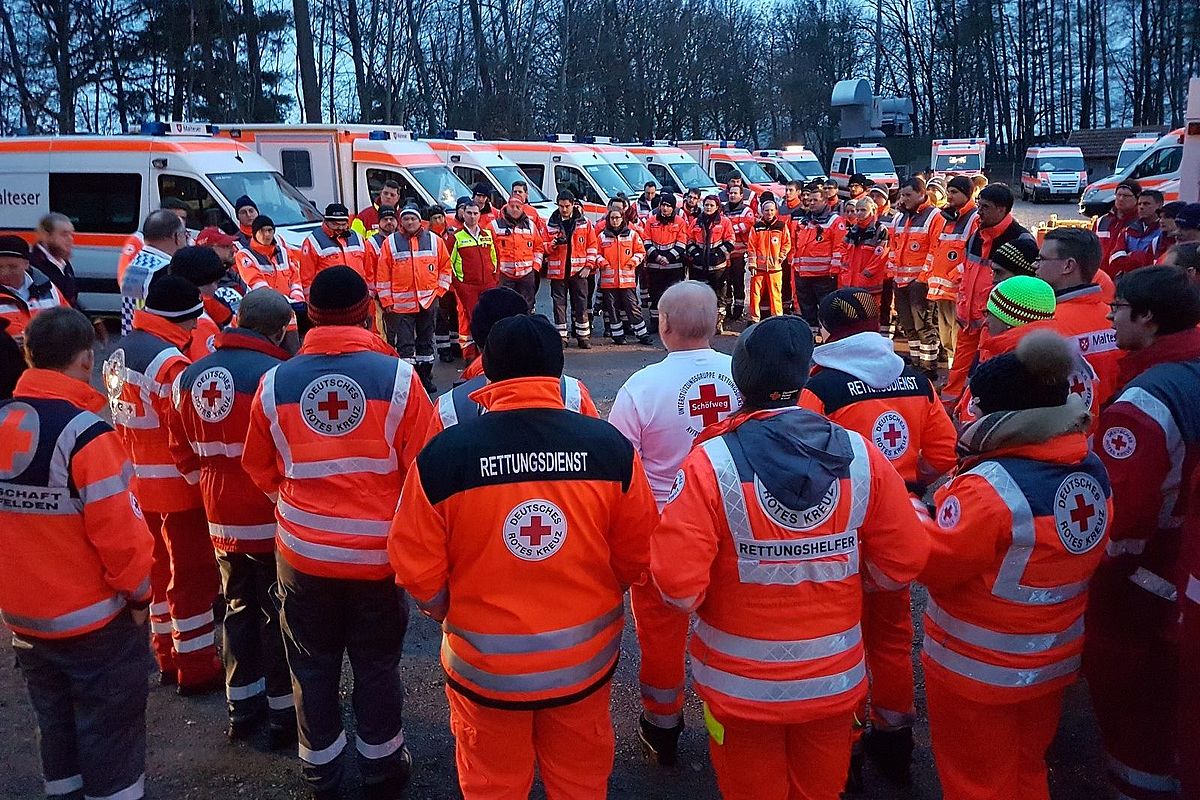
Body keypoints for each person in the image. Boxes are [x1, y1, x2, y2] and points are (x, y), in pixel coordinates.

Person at [651, 315, 930, 800]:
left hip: (737, 688)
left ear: (739, 378)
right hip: (834, 681)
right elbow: (903, 562)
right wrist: (843, 577)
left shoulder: (709, 462)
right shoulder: (861, 456)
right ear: (806, 375)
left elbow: (677, 586)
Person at [390, 313, 658, 800]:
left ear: (486, 371)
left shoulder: (444, 456)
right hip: (585, 665)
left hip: (483, 670)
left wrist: (450, 610)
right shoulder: (609, 449)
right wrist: (601, 590)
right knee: (580, 781)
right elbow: (636, 552)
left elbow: (415, 564)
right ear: (559, 372)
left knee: (492, 784)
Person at [243, 266, 434, 800]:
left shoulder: (275, 381)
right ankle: (382, 764)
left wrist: (298, 509)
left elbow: (259, 467)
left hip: (302, 556)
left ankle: (319, 769)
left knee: (311, 663)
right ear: (363, 312)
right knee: (376, 663)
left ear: (311, 316)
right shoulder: (398, 378)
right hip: (378, 556)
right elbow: (424, 467)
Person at [919, 330, 1110, 800]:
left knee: (977, 783)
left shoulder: (987, 489)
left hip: (977, 670)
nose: (971, 414)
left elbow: (935, 564)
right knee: (1027, 770)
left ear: (1006, 416)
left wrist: (914, 515)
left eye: (978, 406)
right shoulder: (1092, 469)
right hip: (1052, 658)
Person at [799, 288, 956, 786]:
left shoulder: (819, 388)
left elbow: (803, 465)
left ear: (825, 331)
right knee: (891, 636)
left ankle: (844, 751)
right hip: (897, 523)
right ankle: (895, 740)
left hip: (841, 529)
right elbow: (943, 456)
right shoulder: (915, 379)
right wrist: (907, 486)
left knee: (838, 638)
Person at [1, 307, 155, 800]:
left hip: (23, 618)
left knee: (57, 729)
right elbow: (123, 538)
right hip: (94, 621)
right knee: (110, 734)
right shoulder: (87, 436)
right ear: (87, 359)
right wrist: (138, 598)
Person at [608, 280, 741, 764]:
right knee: (732, 621)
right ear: (714, 322)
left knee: (661, 634)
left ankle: (661, 725)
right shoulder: (741, 376)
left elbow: (619, 465)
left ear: (662, 324)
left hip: (662, 529)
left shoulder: (641, 386)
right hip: (734, 521)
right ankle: (734, 713)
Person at [1084, 266, 1200, 800]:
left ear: (1148, 318)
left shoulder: (1143, 403)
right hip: (1180, 571)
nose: (1111, 315)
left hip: (1145, 579)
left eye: (1120, 308)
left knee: (1137, 702)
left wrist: (1100, 574)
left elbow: (1125, 514)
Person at [168, 288, 296, 746]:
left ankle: (242, 706)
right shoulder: (275, 377)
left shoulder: (189, 375)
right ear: (280, 330)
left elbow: (179, 449)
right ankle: (284, 713)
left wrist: (205, 486)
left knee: (237, 608)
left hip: (217, 514)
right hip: (268, 513)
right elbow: (286, 451)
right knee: (278, 615)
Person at [103, 275, 223, 693]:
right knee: (192, 577)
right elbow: (182, 432)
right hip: (177, 492)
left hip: (136, 487)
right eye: (193, 322)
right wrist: (201, 481)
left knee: (157, 573)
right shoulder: (169, 364)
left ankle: (166, 653)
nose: (196, 330)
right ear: (184, 318)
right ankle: (196, 664)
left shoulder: (121, 349)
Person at [953, 183, 1035, 413]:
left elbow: (1024, 286)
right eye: (979, 206)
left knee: (983, 371)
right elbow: (967, 274)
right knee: (958, 369)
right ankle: (952, 410)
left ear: (1002, 210)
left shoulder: (1021, 241)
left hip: (996, 321)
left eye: (985, 207)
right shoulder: (976, 237)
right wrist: (962, 308)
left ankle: (973, 411)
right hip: (969, 320)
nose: (979, 212)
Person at [1035, 228, 1122, 408]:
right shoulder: (1118, 320)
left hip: (1066, 428)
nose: (1035, 265)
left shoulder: (1044, 325)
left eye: (1042, 259)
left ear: (1068, 266)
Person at [378, 205, 453, 393]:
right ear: (400, 222)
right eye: (406, 219)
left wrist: (440, 291)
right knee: (405, 347)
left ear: (420, 221)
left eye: (413, 218)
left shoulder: (435, 241)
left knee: (426, 344)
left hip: (428, 301)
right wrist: (387, 302)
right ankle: (407, 385)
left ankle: (425, 378)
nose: (409, 222)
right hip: (401, 305)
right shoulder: (390, 243)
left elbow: (445, 268)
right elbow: (383, 274)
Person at [928, 175, 979, 402]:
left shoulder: (973, 219)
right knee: (947, 338)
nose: (949, 196)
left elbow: (971, 256)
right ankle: (951, 377)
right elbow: (937, 251)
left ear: (967, 195)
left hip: (957, 290)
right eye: (948, 192)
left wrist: (954, 276)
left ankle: (959, 384)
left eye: (955, 192)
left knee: (959, 341)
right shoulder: (948, 218)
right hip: (942, 290)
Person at [889, 177, 945, 380]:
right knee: (908, 325)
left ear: (922, 194)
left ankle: (929, 367)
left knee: (923, 325)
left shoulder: (934, 217)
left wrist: (923, 278)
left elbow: (934, 249)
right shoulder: (899, 217)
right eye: (902, 195)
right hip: (901, 280)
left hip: (920, 282)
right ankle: (915, 362)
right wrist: (893, 274)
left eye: (908, 195)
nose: (903, 199)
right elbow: (894, 248)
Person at [234, 215, 306, 351]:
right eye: (262, 231)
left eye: (269, 230)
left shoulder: (284, 252)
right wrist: (287, 302)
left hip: (289, 315)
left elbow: (295, 278)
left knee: (293, 352)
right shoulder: (245, 255)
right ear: (254, 233)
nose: (266, 234)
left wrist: (297, 300)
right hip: (264, 315)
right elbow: (257, 284)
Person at [118, 210, 187, 335]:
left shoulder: (134, 265)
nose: (186, 240)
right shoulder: (165, 270)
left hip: (131, 338)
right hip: (156, 341)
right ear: (176, 236)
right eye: (185, 235)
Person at [543, 189, 597, 348]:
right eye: (561, 206)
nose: (564, 209)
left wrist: (588, 266)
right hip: (558, 272)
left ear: (573, 204)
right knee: (559, 306)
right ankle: (561, 337)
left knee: (581, 304)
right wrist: (552, 245)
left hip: (578, 271)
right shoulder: (551, 223)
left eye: (567, 206)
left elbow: (592, 246)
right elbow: (543, 247)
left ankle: (583, 337)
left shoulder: (585, 223)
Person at [449, 201, 499, 361]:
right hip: (467, 287)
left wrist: (494, 279)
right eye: (469, 213)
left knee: (488, 319)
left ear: (479, 215)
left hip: (488, 285)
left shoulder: (488, 235)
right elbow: (448, 264)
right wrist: (459, 285)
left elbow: (495, 258)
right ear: (463, 214)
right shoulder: (455, 237)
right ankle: (470, 356)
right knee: (467, 320)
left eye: (475, 213)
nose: (472, 216)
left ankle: (486, 354)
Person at [792, 182, 845, 330]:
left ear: (825, 201)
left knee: (826, 309)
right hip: (803, 274)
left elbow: (839, 247)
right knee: (807, 311)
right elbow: (798, 246)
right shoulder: (804, 220)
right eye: (810, 200)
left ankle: (828, 336)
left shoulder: (834, 221)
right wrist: (796, 267)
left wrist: (834, 271)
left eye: (816, 200)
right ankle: (813, 336)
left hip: (823, 275)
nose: (812, 203)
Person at [597, 207, 652, 345]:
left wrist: (633, 262)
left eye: (617, 217)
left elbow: (641, 252)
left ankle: (642, 334)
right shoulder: (602, 236)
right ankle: (618, 336)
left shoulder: (632, 235)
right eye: (612, 218)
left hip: (627, 281)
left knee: (633, 308)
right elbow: (595, 253)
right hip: (608, 282)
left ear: (623, 219)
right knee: (612, 310)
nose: (615, 220)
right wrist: (602, 262)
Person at [0, 235, 68, 346]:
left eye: (12, 267)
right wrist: (6, 345)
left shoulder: (48, 289)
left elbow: (71, 325)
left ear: (26, 264)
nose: (4, 273)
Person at [169, 245, 233, 361]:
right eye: (216, 282)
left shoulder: (167, 306)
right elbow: (209, 370)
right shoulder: (200, 323)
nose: (216, 288)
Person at [686, 195, 735, 333]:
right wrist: (695, 254)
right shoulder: (696, 222)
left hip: (718, 267)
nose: (708, 207)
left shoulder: (725, 222)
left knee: (719, 297)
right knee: (698, 296)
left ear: (717, 207)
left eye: (711, 205)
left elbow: (731, 241)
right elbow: (689, 240)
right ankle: (700, 324)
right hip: (698, 267)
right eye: (706, 205)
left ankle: (718, 322)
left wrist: (718, 255)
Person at [490, 194, 543, 311]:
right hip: (504, 275)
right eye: (512, 206)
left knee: (526, 307)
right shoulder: (494, 226)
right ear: (507, 206)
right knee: (504, 307)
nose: (514, 209)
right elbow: (488, 250)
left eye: (517, 207)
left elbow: (538, 248)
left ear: (522, 208)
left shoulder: (530, 226)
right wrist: (495, 270)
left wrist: (535, 268)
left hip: (526, 275)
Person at [746, 193, 792, 320]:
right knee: (755, 295)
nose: (769, 212)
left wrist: (781, 257)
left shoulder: (781, 226)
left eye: (772, 210)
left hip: (775, 268)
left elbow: (787, 243)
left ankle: (777, 319)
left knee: (776, 295)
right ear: (762, 211)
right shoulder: (756, 227)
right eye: (766, 210)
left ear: (776, 210)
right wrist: (752, 264)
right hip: (758, 268)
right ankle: (754, 319)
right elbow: (751, 247)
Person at [300, 203, 367, 290]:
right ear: (326, 222)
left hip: (357, 294)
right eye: (335, 224)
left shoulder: (358, 238)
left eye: (343, 224)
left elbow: (367, 270)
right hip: (328, 298)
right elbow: (306, 279)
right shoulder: (313, 241)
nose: (340, 228)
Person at [642, 194, 690, 314]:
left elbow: (681, 243)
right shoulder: (651, 221)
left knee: (674, 296)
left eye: (668, 206)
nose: (665, 208)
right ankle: (655, 321)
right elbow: (646, 241)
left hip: (674, 266)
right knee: (654, 294)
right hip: (654, 265)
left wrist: (667, 258)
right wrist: (657, 257)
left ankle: (672, 322)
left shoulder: (680, 222)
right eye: (663, 205)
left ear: (673, 208)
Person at [837, 197, 890, 294]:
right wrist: (845, 264)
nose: (859, 213)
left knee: (869, 308)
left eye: (863, 210)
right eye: (857, 210)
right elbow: (842, 247)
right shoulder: (854, 230)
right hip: (850, 280)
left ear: (872, 211)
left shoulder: (880, 230)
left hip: (870, 281)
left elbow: (881, 256)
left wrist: (867, 273)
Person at [1108, 189, 1166, 276]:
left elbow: (1159, 261)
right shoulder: (1128, 231)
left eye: (1146, 204)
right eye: (1139, 204)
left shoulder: (1164, 232)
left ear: (1160, 205)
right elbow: (1114, 258)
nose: (1141, 207)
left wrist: (1132, 256)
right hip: (1129, 280)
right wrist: (1140, 259)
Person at [29, 212, 78, 307]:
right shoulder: (33, 265)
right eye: (64, 234)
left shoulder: (65, 264)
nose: (70, 239)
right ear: (46, 236)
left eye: (71, 234)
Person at [722, 184, 755, 320]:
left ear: (742, 196)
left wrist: (729, 229)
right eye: (731, 193)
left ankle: (739, 310)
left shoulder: (746, 210)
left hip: (739, 254)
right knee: (725, 283)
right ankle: (727, 309)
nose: (732, 195)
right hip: (724, 254)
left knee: (738, 283)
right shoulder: (722, 210)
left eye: (735, 193)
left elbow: (748, 224)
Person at [1095, 179, 1141, 265]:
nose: (1121, 199)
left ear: (1137, 198)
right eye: (1119, 195)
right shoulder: (1102, 221)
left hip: (1124, 275)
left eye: (1126, 196)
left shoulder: (1140, 223)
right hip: (1100, 274)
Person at [364, 205, 398, 299]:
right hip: (381, 297)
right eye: (385, 219)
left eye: (391, 219)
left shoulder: (404, 240)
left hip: (401, 295)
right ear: (379, 222)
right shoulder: (371, 244)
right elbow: (369, 273)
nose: (389, 222)